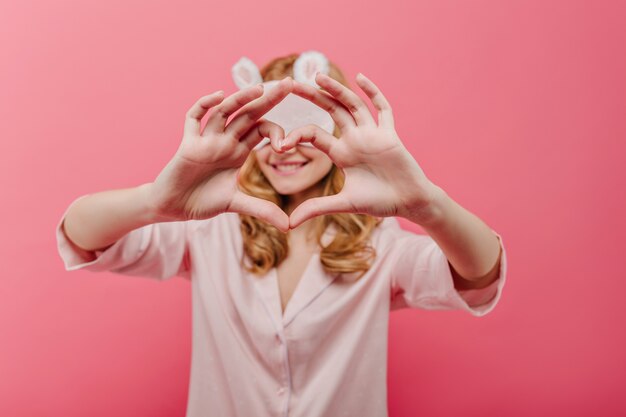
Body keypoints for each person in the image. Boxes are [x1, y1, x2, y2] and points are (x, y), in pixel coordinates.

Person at [56, 50, 508, 417]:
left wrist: (427, 206)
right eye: (272, 128)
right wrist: (154, 201)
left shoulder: (380, 243)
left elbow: (478, 276)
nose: (285, 147)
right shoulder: (211, 232)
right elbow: (83, 236)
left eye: (304, 126)